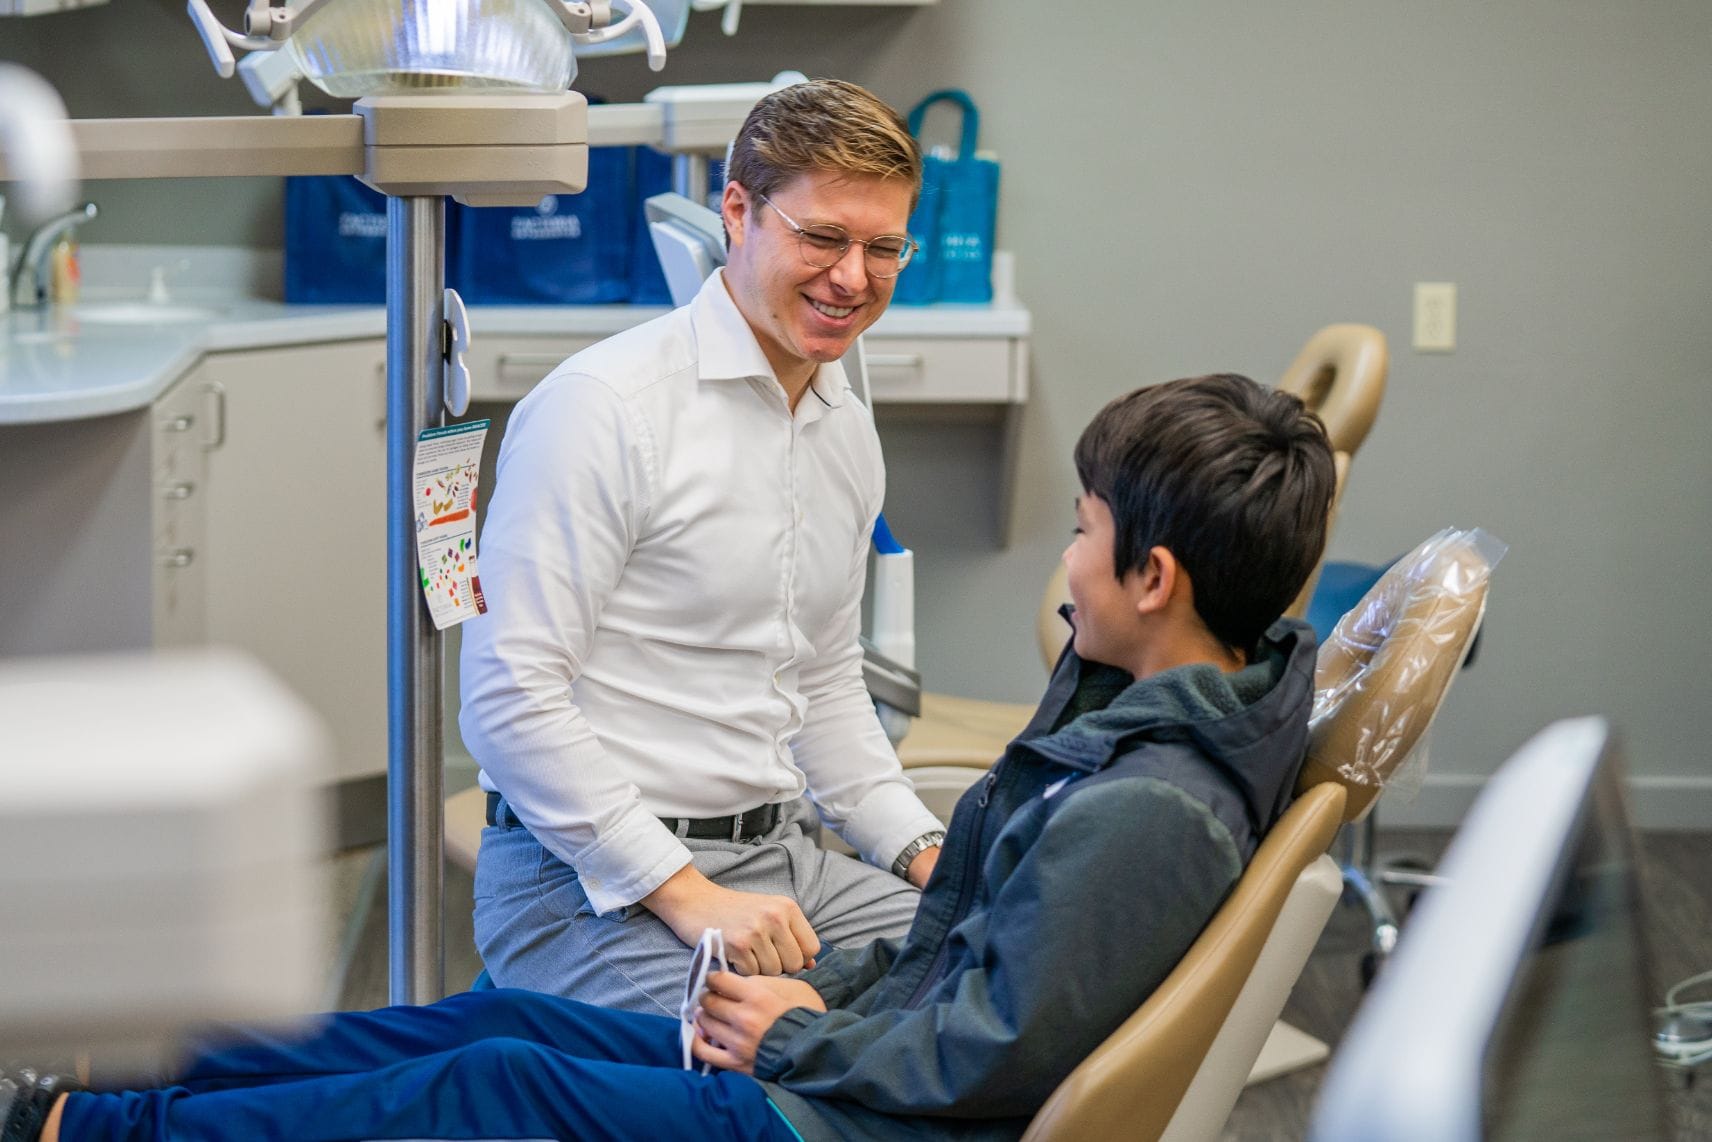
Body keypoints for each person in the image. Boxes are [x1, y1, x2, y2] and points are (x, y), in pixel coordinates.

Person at [11, 373, 1337, 1142]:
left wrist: (805, 1036)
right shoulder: (1158, 712)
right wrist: (822, 991)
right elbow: (965, 972)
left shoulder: (1148, 805)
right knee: (501, 1019)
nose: (1065, 553)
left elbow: (993, 1056)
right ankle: (110, 1102)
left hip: (851, 1123)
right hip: (858, 1064)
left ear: (1152, 575)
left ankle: (103, 1133)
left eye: (1082, 529)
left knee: (495, 1087)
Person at [457, 79, 948, 1013]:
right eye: (822, 237)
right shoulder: (603, 409)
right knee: (800, 1058)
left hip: (779, 863)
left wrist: (931, 857)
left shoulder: (842, 427)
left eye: (883, 248)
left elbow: (828, 688)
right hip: (580, 888)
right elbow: (505, 697)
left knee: (1005, 983)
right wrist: (686, 895)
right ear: (738, 210)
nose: (853, 277)